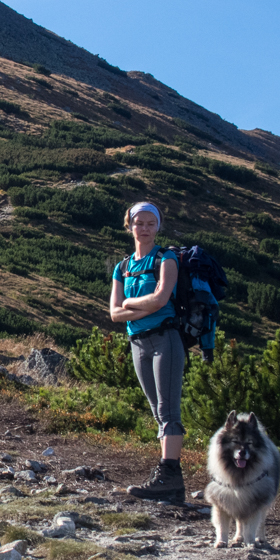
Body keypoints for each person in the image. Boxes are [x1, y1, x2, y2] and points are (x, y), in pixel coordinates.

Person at [110, 200, 185, 503]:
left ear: (158, 226)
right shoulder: (123, 266)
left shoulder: (166, 259)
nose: (144, 229)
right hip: (138, 343)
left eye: (150, 223)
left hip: (165, 339)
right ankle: (168, 479)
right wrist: (136, 307)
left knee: (168, 410)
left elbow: (161, 298)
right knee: (157, 410)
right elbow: (114, 314)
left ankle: (170, 476)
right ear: (129, 225)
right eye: (138, 223)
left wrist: (129, 305)